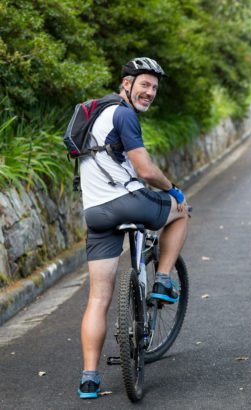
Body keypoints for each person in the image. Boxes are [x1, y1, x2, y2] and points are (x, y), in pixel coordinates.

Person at [77, 57, 189, 399]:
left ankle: (89, 378)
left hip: (94, 212)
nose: (150, 92)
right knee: (181, 212)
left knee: (98, 297)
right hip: (126, 201)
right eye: (144, 84)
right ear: (126, 83)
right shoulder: (124, 114)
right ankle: (164, 279)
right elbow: (144, 170)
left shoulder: (96, 114)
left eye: (154, 87)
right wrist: (172, 189)